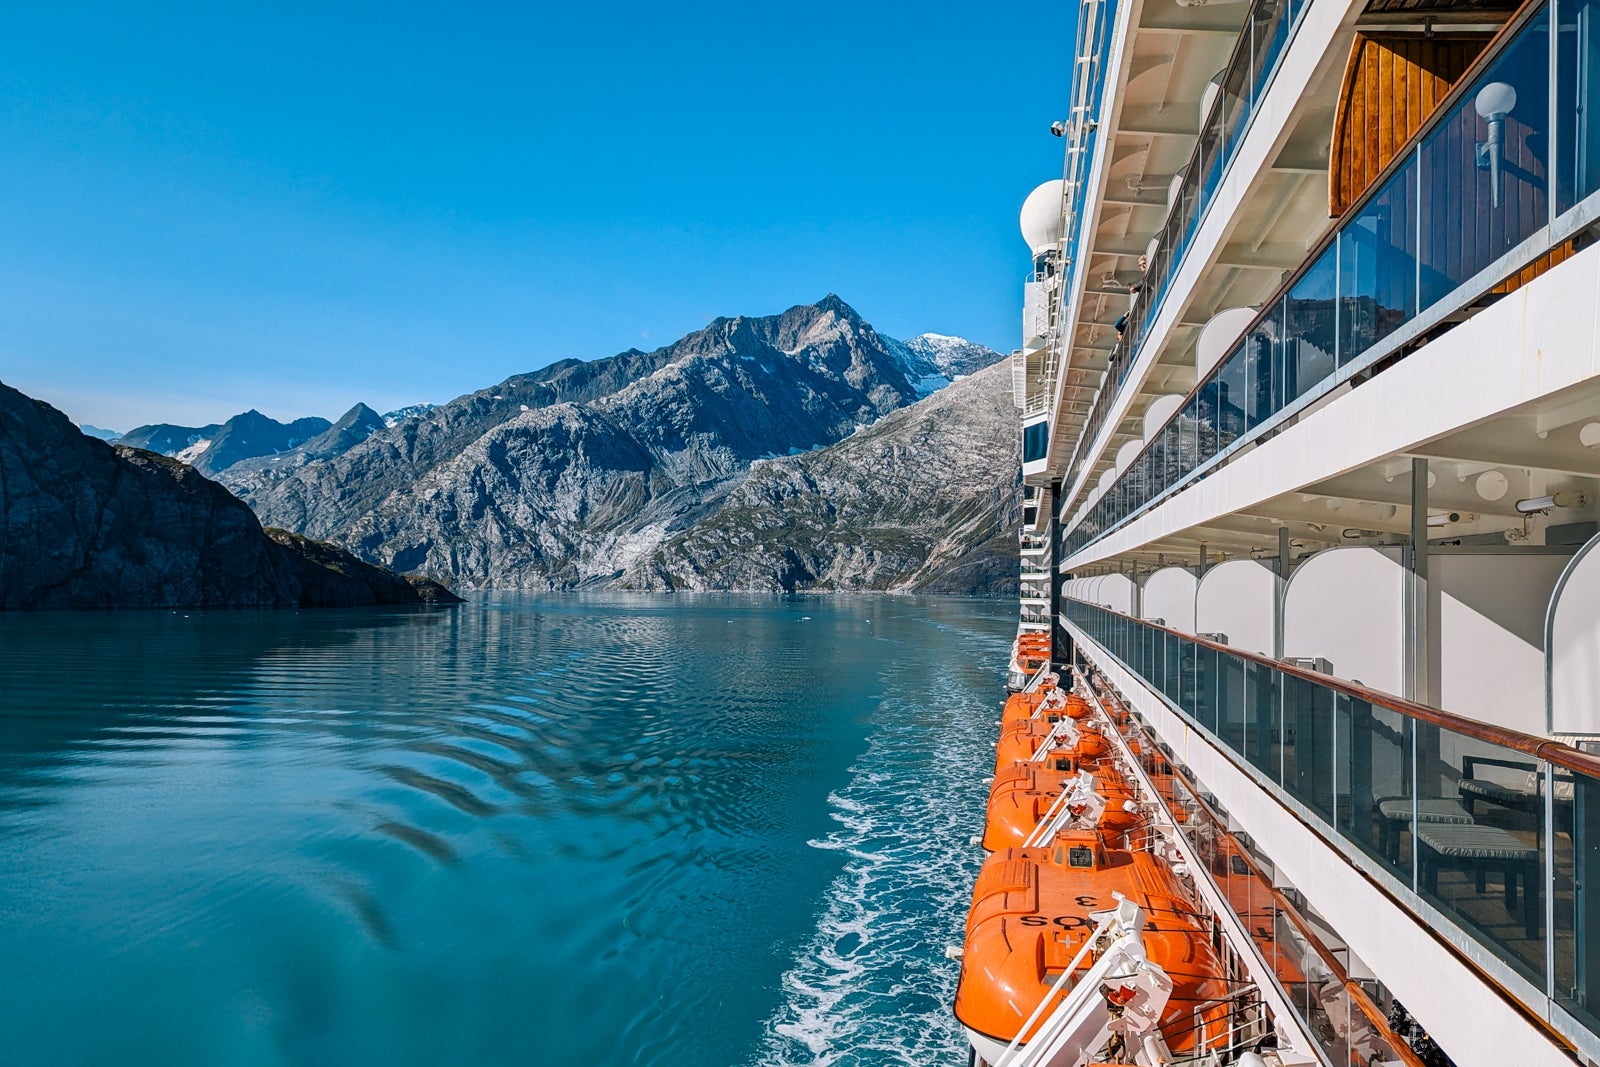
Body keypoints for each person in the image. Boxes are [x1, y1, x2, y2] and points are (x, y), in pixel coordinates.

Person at [1113, 253, 1149, 336]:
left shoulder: (1152, 270)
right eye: (1140, 265)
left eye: (1144, 263)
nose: (1142, 266)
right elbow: (1117, 325)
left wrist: (1135, 287)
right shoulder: (1129, 325)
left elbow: (1145, 282)